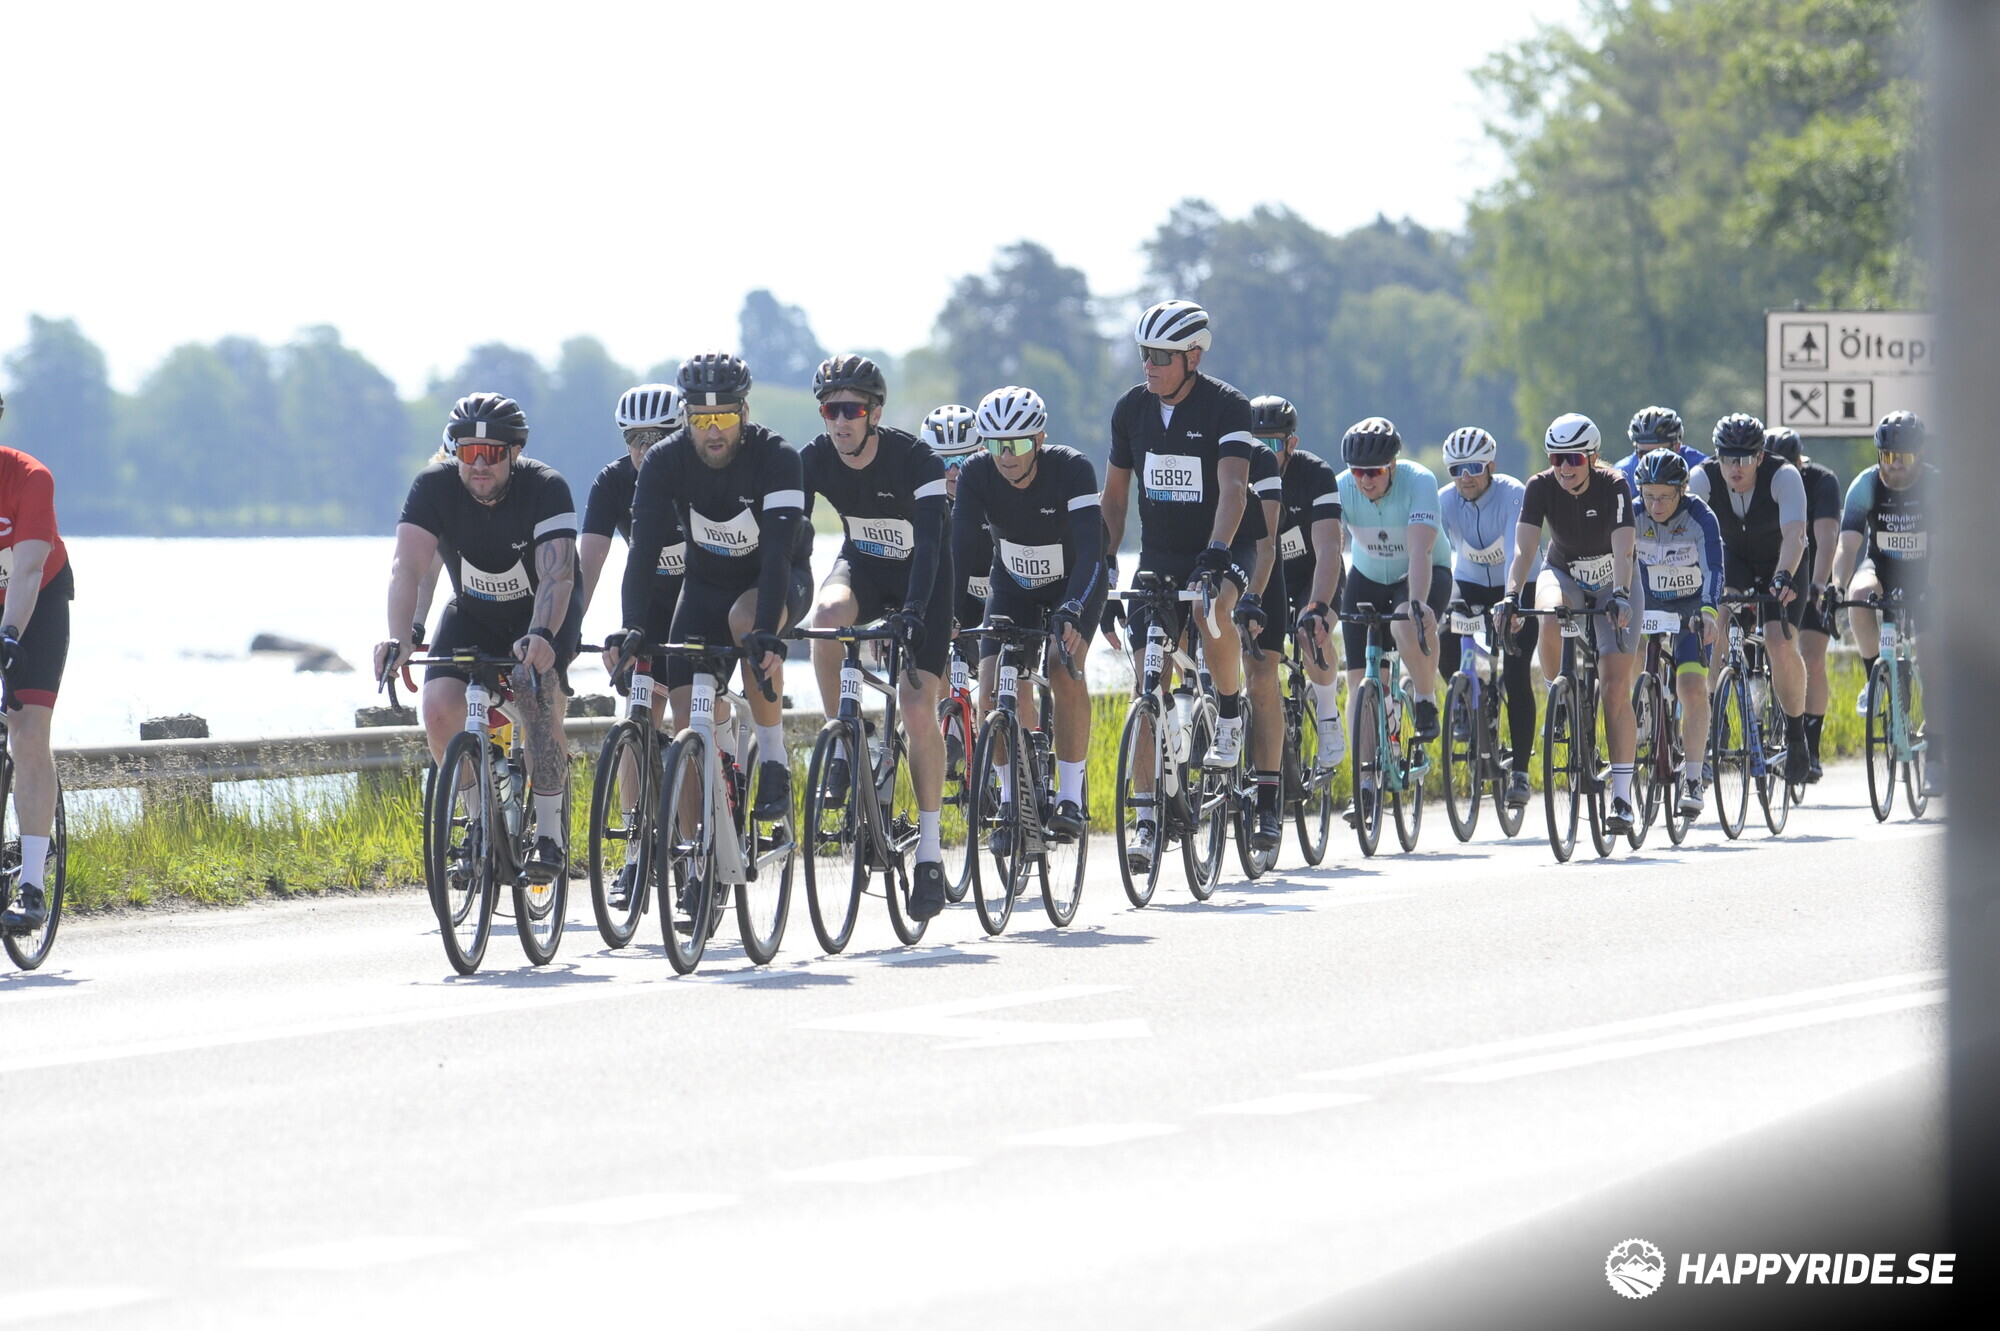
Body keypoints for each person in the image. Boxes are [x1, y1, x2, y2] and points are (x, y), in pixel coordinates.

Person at [375, 393, 582, 884]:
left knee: (534, 698)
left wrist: (540, 635)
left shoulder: (546, 487)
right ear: (456, 453)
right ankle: (477, 825)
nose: (480, 464)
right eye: (469, 453)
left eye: (492, 454)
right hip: (473, 612)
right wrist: (401, 637)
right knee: (438, 709)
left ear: (514, 453)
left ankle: (548, 833)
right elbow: (409, 568)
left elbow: (557, 577)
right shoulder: (434, 486)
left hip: (542, 613)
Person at [621, 352, 810, 819]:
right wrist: (632, 626)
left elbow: (777, 554)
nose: (712, 432)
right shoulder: (665, 460)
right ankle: (695, 849)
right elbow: (642, 551)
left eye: (723, 418)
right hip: (704, 587)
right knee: (687, 724)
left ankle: (773, 759)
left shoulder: (777, 456)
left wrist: (766, 628)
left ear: (744, 412)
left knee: (747, 623)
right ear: (686, 417)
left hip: (775, 580)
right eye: (700, 419)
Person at [801, 356, 955, 919]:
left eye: (852, 410)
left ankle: (931, 853)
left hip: (924, 582)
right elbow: (789, 532)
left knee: (916, 709)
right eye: (830, 410)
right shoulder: (815, 459)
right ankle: (843, 741)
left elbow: (932, 546)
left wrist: (913, 611)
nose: (840, 421)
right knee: (825, 618)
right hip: (862, 569)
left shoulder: (916, 460)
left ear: (875, 413)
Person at [1101, 300, 1263, 771]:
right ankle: (1150, 803)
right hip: (1159, 554)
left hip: (1225, 543)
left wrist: (1215, 553)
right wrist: (1104, 564)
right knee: (1147, 687)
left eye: (1160, 356)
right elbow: (1114, 498)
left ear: (1193, 357)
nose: (1148, 365)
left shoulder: (1228, 406)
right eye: (1143, 353)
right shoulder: (1130, 409)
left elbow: (1234, 488)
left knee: (1208, 608)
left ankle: (1229, 714)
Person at [951, 386, 1106, 858]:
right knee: (990, 688)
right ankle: (1009, 800)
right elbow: (960, 551)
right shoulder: (977, 473)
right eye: (995, 444)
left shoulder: (1072, 469)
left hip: (1072, 584)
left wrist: (1073, 609)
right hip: (1013, 582)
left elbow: (1093, 550)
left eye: (1016, 444)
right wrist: (951, 615)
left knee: (1061, 665)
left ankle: (1071, 796)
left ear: (1039, 439)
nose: (1006, 456)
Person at [1501, 413, 1641, 833]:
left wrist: (1620, 594)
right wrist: (1510, 596)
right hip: (1564, 572)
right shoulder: (1539, 486)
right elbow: (1524, 550)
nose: (1565, 467)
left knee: (1614, 687)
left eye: (1574, 459)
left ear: (1593, 458)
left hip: (1615, 578)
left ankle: (1622, 797)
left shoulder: (1614, 484)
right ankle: (1559, 697)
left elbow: (1625, 549)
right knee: (1548, 614)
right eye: (1556, 458)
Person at [579, 383, 687, 909]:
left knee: (694, 717)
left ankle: (701, 839)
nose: (644, 449)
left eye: (657, 438)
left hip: (703, 604)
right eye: (634, 438)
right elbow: (588, 564)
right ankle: (633, 853)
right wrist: (562, 631)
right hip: (650, 609)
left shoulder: (696, 478)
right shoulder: (613, 482)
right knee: (635, 720)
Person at [1687, 413, 1812, 786]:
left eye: (1744, 459)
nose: (1735, 468)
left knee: (1778, 641)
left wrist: (1784, 574)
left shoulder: (1783, 475)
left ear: (1760, 456)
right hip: (1734, 560)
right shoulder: (1703, 478)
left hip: (1782, 559)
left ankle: (1796, 735)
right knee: (1715, 621)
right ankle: (1716, 713)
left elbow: (1795, 534)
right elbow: (1686, 532)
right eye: (1727, 458)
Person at [1830, 410, 1938, 793]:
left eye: (1904, 458)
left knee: (1931, 653)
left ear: (1920, 456)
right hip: (1882, 567)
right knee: (1859, 596)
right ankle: (1875, 677)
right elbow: (1847, 546)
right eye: (1888, 457)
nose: (1895, 466)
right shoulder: (1866, 485)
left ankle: (1936, 751)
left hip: (1927, 572)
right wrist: (1836, 586)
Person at [0, 392, 76, 933]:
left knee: (27, 732)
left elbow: (27, 571)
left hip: (38, 602)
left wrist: (8, 636)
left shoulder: (30, 478)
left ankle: (31, 885)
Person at [1434, 426, 1537, 809]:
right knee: (1444, 632)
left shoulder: (1512, 493)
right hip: (1471, 582)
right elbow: (1434, 553)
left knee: (1517, 672)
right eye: (1456, 470)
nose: (1465, 477)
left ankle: (1521, 772)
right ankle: (1466, 698)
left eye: (1474, 468)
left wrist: (1511, 600)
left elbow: (1516, 551)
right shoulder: (1444, 500)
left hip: (1519, 583)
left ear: (1491, 466)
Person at [1627, 448, 1724, 814]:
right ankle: (1642, 712)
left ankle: (1694, 778)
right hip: (1648, 601)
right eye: (1648, 495)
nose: (1655, 505)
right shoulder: (1632, 514)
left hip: (1691, 607)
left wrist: (1709, 611)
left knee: (1691, 686)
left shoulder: (1701, 517)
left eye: (1665, 496)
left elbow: (1714, 568)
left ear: (1683, 490)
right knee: (1628, 654)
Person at [1255, 397, 1346, 776]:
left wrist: (1318, 608)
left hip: (1314, 574)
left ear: (1291, 444)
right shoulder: (1240, 472)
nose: (1261, 452)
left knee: (1311, 634)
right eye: (1253, 443)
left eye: (1270, 444)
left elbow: (1329, 548)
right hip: (1267, 575)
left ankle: (1327, 712)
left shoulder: (1315, 474)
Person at [1761, 426, 1843, 782]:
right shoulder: (1763, 480)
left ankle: (1811, 745)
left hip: (1810, 572)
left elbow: (1826, 538)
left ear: (1799, 461)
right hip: (1771, 567)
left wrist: (1818, 585)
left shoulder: (1821, 480)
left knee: (1811, 655)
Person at [1233, 419, 1290, 850]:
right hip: (1207, 563)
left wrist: (1252, 595)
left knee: (1261, 679)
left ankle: (1268, 804)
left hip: (1258, 568)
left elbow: (1267, 545)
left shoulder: (1261, 459)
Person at [1615, 406, 1706, 490]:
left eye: (1659, 453)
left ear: (1677, 447)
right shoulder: (1623, 474)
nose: (1651, 460)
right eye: (1643, 453)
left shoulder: (1701, 470)